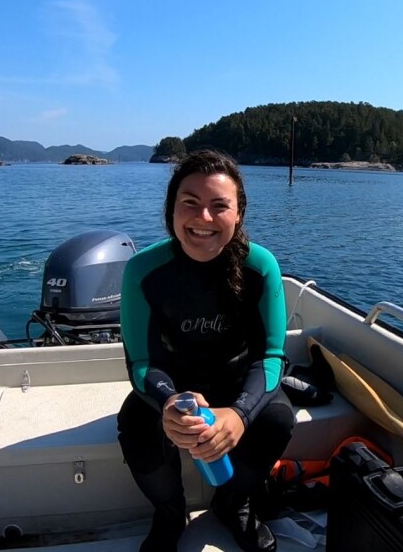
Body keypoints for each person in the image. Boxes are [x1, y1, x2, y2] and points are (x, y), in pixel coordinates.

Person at [117, 149, 295, 552]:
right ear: (171, 210)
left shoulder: (260, 266)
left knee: (278, 419)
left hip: (237, 381)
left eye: (220, 206)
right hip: (172, 383)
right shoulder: (144, 271)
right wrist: (168, 401)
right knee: (136, 424)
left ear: (239, 213)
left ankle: (233, 503)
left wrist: (240, 414)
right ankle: (169, 512)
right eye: (190, 204)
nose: (204, 218)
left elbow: (271, 356)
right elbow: (141, 363)